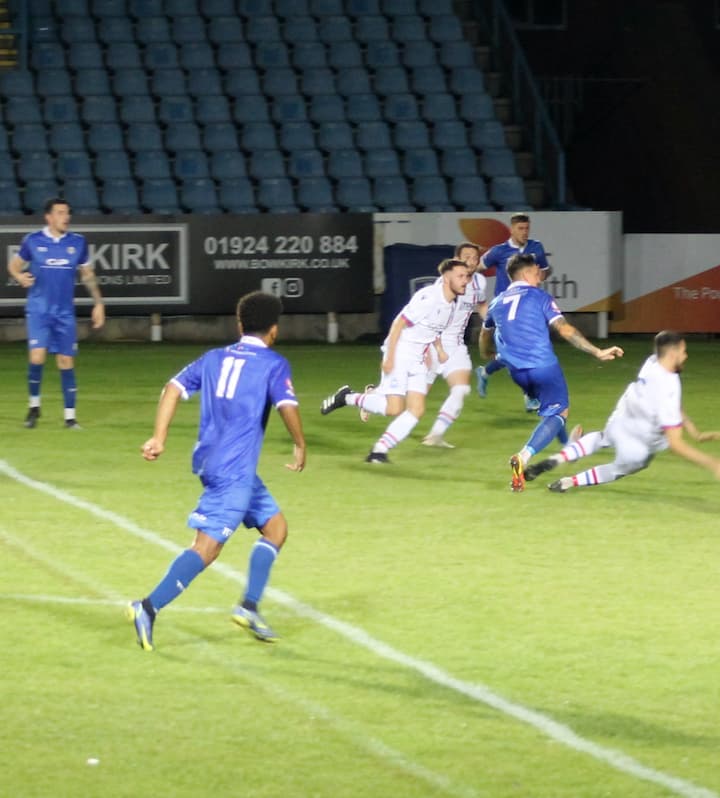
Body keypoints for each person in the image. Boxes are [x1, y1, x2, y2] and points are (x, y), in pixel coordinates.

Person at [126, 291, 306, 651]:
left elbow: (172, 389)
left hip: (220, 464)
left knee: (276, 528)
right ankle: (147, 607)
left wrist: (159, 437)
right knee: (206, 549)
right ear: (274, 329)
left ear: (240, 325)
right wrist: (299, 443)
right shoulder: (273, 363)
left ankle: (249, 607)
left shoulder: (213, 358)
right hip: (232, 473)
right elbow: (287, 405)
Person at [479, 252, 624, 492]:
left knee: (549, 408)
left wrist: (487, 355)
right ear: (526, 273)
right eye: (537, 272)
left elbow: (484, 335)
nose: (540, 276)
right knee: (559, 411)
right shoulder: (540, 297)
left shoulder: (498, 302)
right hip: (542, 366)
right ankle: (524, 457)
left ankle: (567, 445)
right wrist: (596, 351)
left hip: (517, 373)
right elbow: (564, 330)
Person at [525, 331, 720, 492]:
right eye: (683, 351)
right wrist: (714, 464)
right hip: (641, 441)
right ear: (673, 353)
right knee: (620, 468)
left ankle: (557, 459)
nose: (686, 356)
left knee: (602, 438)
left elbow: (675, 405)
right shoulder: (669, 387)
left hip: (623, 418)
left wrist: (694, 431)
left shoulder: (652, 362)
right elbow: (676, 445)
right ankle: (570, 482)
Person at [320, 258, 471, 463]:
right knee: (394, 408)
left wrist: (437, 350)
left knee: (417, 410)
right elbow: (399, 323)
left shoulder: (451, 304)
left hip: (418, 358)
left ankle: (379, 451)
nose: (465, 280)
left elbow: (432, 329)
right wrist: (390, 357)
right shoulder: (429, 298)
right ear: (446, 278)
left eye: (467, 276)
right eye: (460, 276)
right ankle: (346, 398)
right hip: (401, 352)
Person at [7, 197, 105, 429]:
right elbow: (13, 265)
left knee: (65, 360)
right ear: (48, 217)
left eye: (67, 213)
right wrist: (19, 276)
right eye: (60, 213)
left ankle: (70, 418)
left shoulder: (78, 242)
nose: (66, 217)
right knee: (37, 357)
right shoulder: (32, 241)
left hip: (64, 312)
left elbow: (88, 275)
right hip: (38, 310)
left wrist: (98, 303)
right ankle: (34, 407)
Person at [475, 212, 551, 411]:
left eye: (527, 228)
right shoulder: (499, 251)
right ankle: (530, 396)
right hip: (505, 309)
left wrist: (541, 274)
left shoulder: (536, 247)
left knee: (514, 352)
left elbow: (545, 270)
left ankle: (485, 372)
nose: (525, 232)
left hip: (528, 306)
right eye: (520, 228)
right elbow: (478, 267)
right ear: (511, 230)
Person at [419, 242, 488, 448]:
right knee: (411, 399)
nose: (471, 262)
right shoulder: (445, 284)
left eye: (475, 258)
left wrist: (490, 322)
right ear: (456, 259)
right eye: (466, 257)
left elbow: (481, 303)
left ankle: (435, 435)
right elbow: (429, 317)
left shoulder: (480, 282)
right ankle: (363, 397)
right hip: (433, 343)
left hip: (456, 346)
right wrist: (431, 348)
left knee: (461, 389)